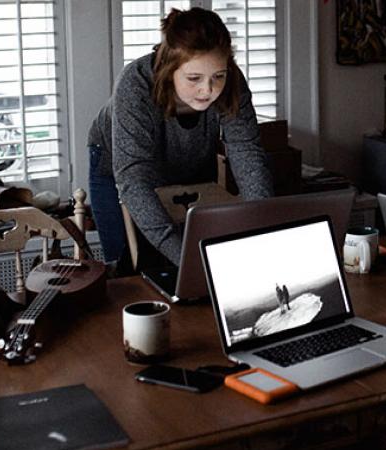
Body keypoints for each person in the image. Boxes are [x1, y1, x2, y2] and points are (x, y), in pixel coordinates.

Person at [87, 7, 273, 270]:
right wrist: (188, 262)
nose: (208, 90)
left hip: (189, 160)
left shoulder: (231, 81)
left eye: (217, 76)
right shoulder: (135, 84)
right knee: (126, 269)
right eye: (194, 78)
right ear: (168, 68)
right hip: (119, 168)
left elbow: (248, 155)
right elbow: (134, 181)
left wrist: (261, 229)